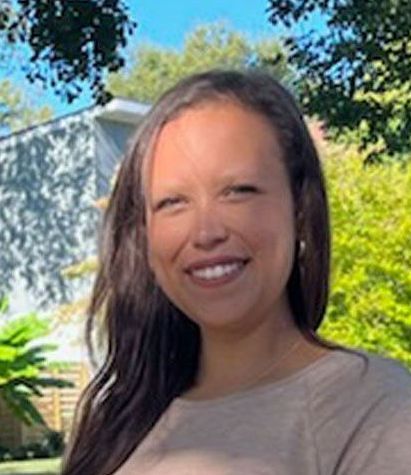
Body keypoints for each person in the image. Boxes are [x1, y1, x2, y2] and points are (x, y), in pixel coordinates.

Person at [61, 70, 411, 475]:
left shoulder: (371, 406)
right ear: (145, 233)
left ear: (298, 206)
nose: (207, 232)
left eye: (239, 190)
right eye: (173, 202)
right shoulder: (117, 417)